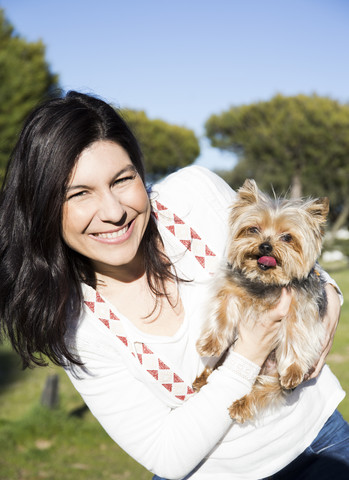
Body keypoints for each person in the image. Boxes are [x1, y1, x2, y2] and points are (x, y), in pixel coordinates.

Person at [0, 91, 348, 480]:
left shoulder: (192, 194)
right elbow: (165, 455)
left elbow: (297, 259)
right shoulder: (74, 324)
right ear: (43, 207)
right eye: (79, 193)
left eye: (123, 179)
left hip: (321, 445)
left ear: (140, 172)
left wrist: (331, 294)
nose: (114, 212)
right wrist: (247, 354)